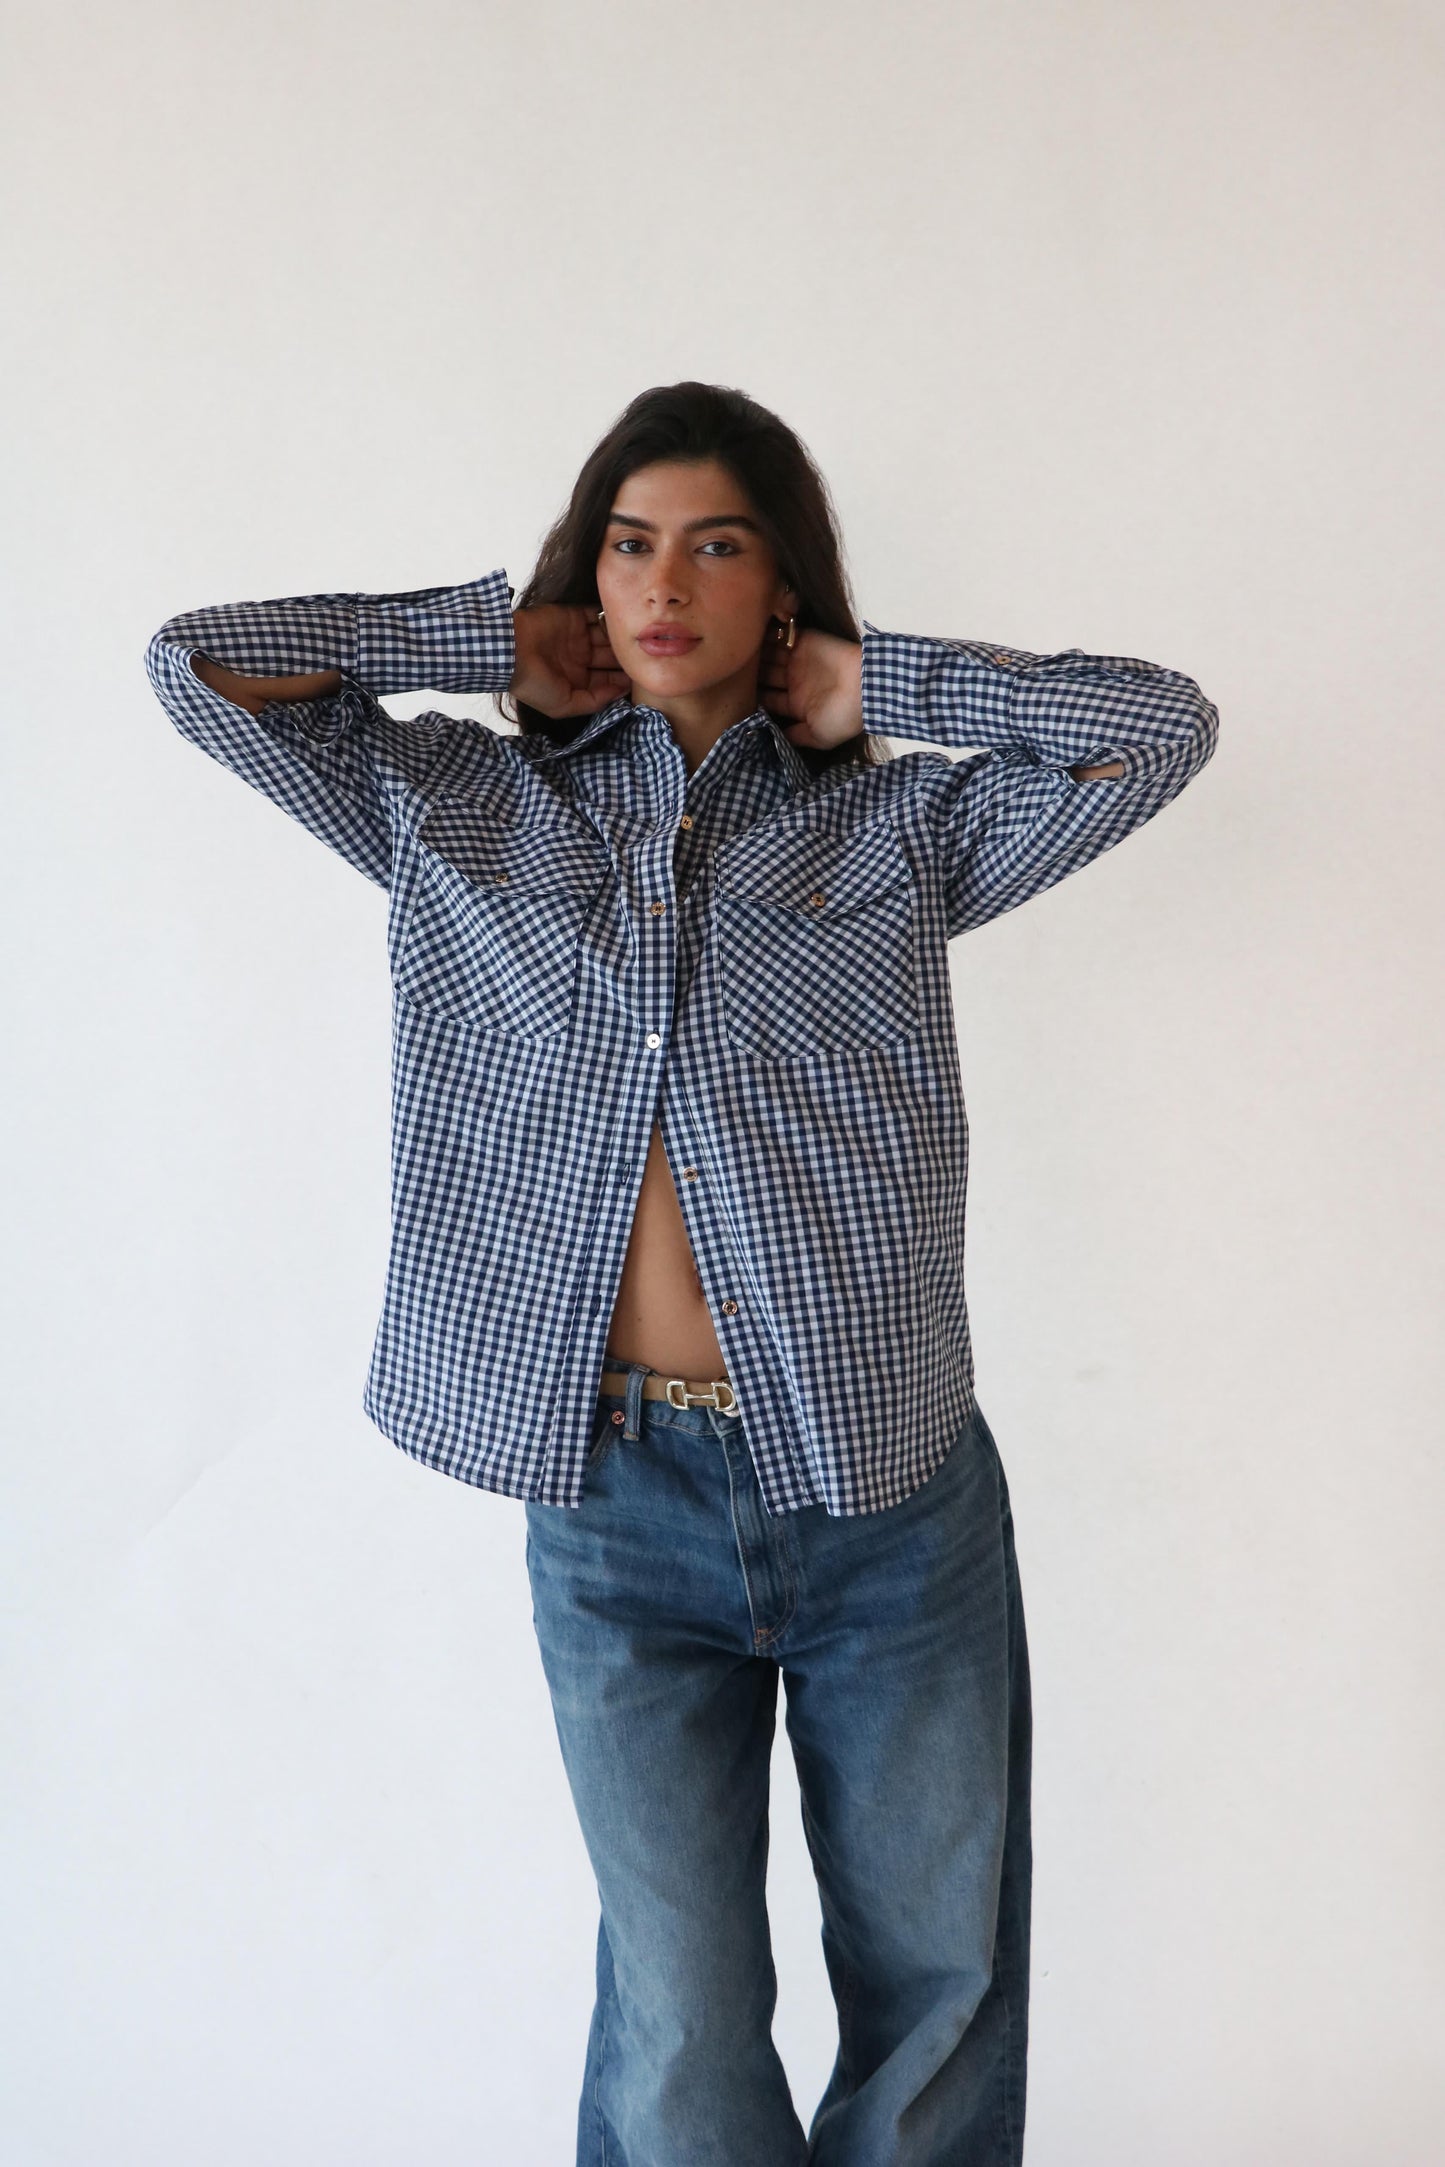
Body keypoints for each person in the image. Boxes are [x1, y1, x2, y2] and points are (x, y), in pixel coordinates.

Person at [144, 380, 1219, 2166]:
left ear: (782, 588)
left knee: (935, 1983)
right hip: (614, 1497)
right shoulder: (450, 800)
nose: (664, 582)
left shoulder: (895, 832)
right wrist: (481, 644)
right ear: (586, 575)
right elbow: (196, 667)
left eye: (717, 545)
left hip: (884, 1489)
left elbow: (1156, 732)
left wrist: (878, 687)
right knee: (680, 2007)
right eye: (629, 544)